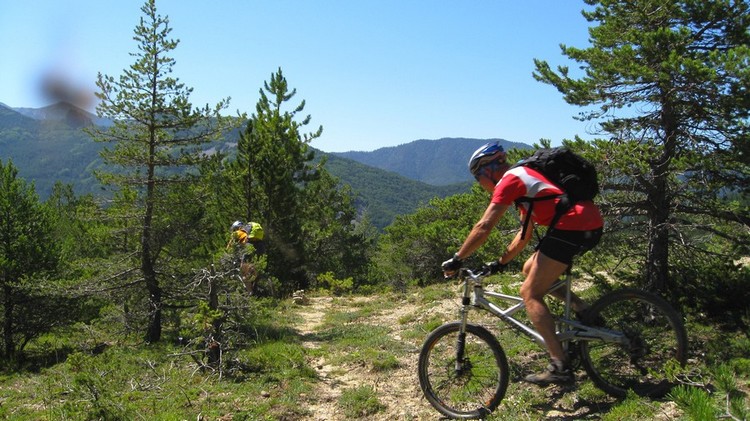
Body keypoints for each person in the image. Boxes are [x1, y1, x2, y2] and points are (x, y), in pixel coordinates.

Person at [441, 141, 603, 386]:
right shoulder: (526, 182)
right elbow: (523, 236)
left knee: (529, 292)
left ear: (487, 171)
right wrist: (499, 263)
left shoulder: (510, 180)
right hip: (587, 223)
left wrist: (457, 258)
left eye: (478, 178)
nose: (481, 185)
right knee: (529, 269)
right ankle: (584, 311)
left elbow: (484, 227)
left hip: (572, 226)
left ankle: (560, 365)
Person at [227, 220, 266, 293]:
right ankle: (256, 287)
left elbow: (229, 248)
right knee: (257, 268)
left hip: (249, 248)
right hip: (261, 246)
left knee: (243, 272)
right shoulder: (249, 234)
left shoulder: (237, 233)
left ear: (236, 228)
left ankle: (250, 294)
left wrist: (227, 254)